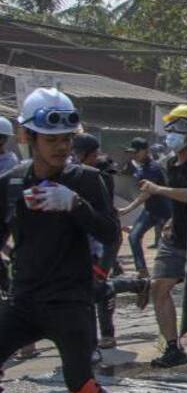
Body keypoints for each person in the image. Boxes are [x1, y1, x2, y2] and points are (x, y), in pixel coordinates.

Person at [0, 88, 139, 393]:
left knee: (79, 386)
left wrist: (75, 205)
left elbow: (112, 233)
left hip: (71, 301)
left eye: (66, 139)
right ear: (28, 138)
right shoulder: (9, 183)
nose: (62, 147)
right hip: (24, 299)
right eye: (51, 139)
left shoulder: (88, 180)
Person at [72, 134, 150, 351]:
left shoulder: (101, 174)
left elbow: (103, 211)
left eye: (78, 153)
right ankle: (137, 284)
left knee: (97, 286)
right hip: (83, 240)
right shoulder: (73, 172)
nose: (74, 157)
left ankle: (107, 334)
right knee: (84, 287)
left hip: (105, 239)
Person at [139, 104, 187, 368]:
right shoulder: (171, 163)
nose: (173, 133)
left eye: (180, 127)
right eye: (170, 127)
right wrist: (173, 218)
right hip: (176, 238)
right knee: (159, 286)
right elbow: (179, 199)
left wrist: (159, 190)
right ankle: (173, 347)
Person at [117, 137, 171, 278]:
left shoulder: (153, 168)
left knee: (169, 243)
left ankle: (170, 274)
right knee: (134, 237)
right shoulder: (140, 167)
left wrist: (127, 209)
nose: (134, 155)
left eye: (136, 152)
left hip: (165, 211)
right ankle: (142, 271)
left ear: (146, 151)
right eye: (132, 152)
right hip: (151, 210)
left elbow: (146, 194)